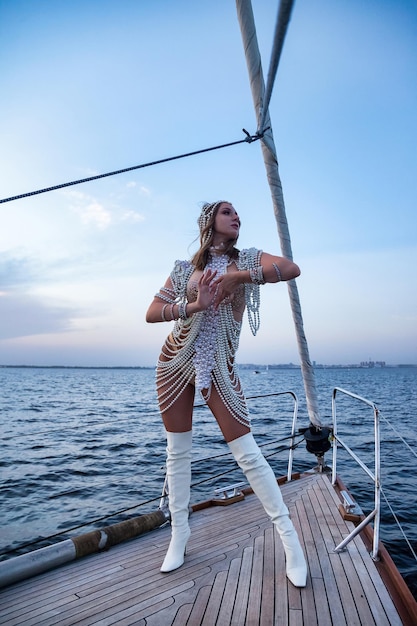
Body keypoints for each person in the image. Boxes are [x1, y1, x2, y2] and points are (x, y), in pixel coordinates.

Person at [146, 200, 307, 587]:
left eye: (237, 212)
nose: (236, 216)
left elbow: (290, 268)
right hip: (174, 362)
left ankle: (291, 542)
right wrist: (193, 305)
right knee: (177, 453)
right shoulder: (184, 268)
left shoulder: (249, 259)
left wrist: (239, 278)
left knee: (248, 455)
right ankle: (179, 534)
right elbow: (152, 312)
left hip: (219, 367)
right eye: (226, 211)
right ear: (209, 221)